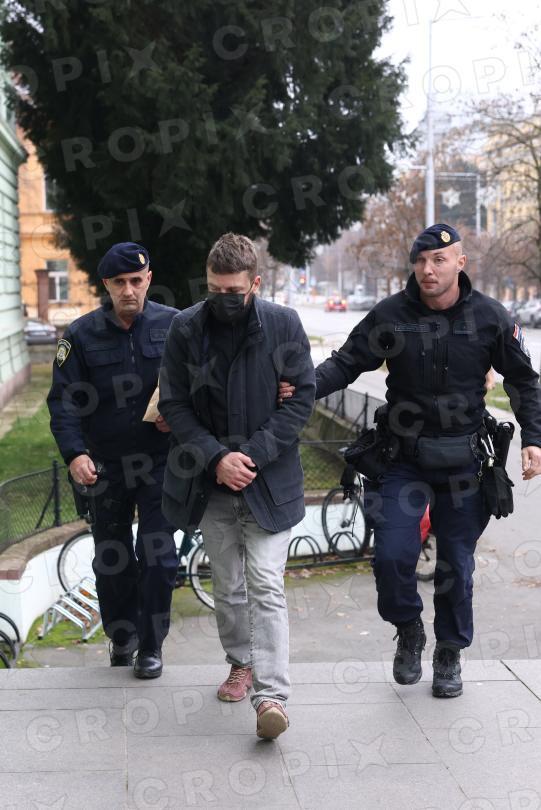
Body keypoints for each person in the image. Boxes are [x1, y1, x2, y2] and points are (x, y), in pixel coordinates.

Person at [281, 224, 541, 698]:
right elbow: (345, 363)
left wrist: (534, 438)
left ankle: (449, 652)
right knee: (391, 557)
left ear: (460, 263)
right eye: (420, 260)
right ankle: (409, 628)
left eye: (439, 260)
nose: (428, 269)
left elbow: (523, 379)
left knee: (456, 567)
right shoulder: (391, 314)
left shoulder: (490, 317)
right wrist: (302, 387)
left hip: (464, 463)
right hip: (402, 459)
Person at [158, 232, 315, 738]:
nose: (223, 299)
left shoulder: (283, 324)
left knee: (266, 583)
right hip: (213, 485)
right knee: (228, 587)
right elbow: (174, 403)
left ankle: (272, 697)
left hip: (269, 483)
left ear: (256, 283)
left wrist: (251, 455)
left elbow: (301, 399)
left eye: (233, 292)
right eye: (214, 290)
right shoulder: (186, 328)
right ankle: (241, 662)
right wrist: (217, 458)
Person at [47, 242, 179, 679]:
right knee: (112, 560)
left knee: (158, 556)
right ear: (106, 284)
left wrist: (179, 417)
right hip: (104, 466)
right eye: (119, 282)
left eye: (136, 280)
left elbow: (204, 383)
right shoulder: (80, 335)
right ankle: (123, 637)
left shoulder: (175, 326)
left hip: (160, 462)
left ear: (148, 279)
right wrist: (75, 454)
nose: (128, 290)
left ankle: (151, 646)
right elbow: (63, 402)